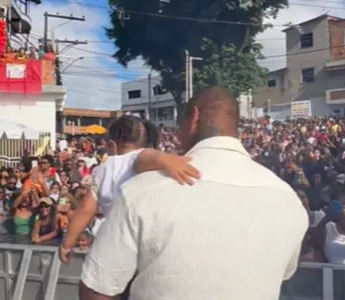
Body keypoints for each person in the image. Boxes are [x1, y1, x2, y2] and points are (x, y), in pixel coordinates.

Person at [79, 86, 308, 300]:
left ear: (194, 118)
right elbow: (284, 274)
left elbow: (96, 290)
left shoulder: (141, 191)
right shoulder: (288, 199)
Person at [59, 116, 199, 263]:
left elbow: (85, 210)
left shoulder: (106, 167)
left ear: (112, 145)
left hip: (117, 244)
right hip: (153, 241)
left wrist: (67, 244)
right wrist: (167, 159)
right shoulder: (145, 159)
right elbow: (142, 157)